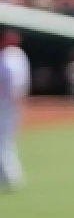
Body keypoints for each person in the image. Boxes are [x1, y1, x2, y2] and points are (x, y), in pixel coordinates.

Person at [0, 29, 31, 189]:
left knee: (4, 141)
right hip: (11, 102)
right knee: (6, 141)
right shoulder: (17, 54)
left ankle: (10, 177)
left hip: (7, 103)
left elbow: (13, 81)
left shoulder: (10, 55)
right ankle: (8, 176)